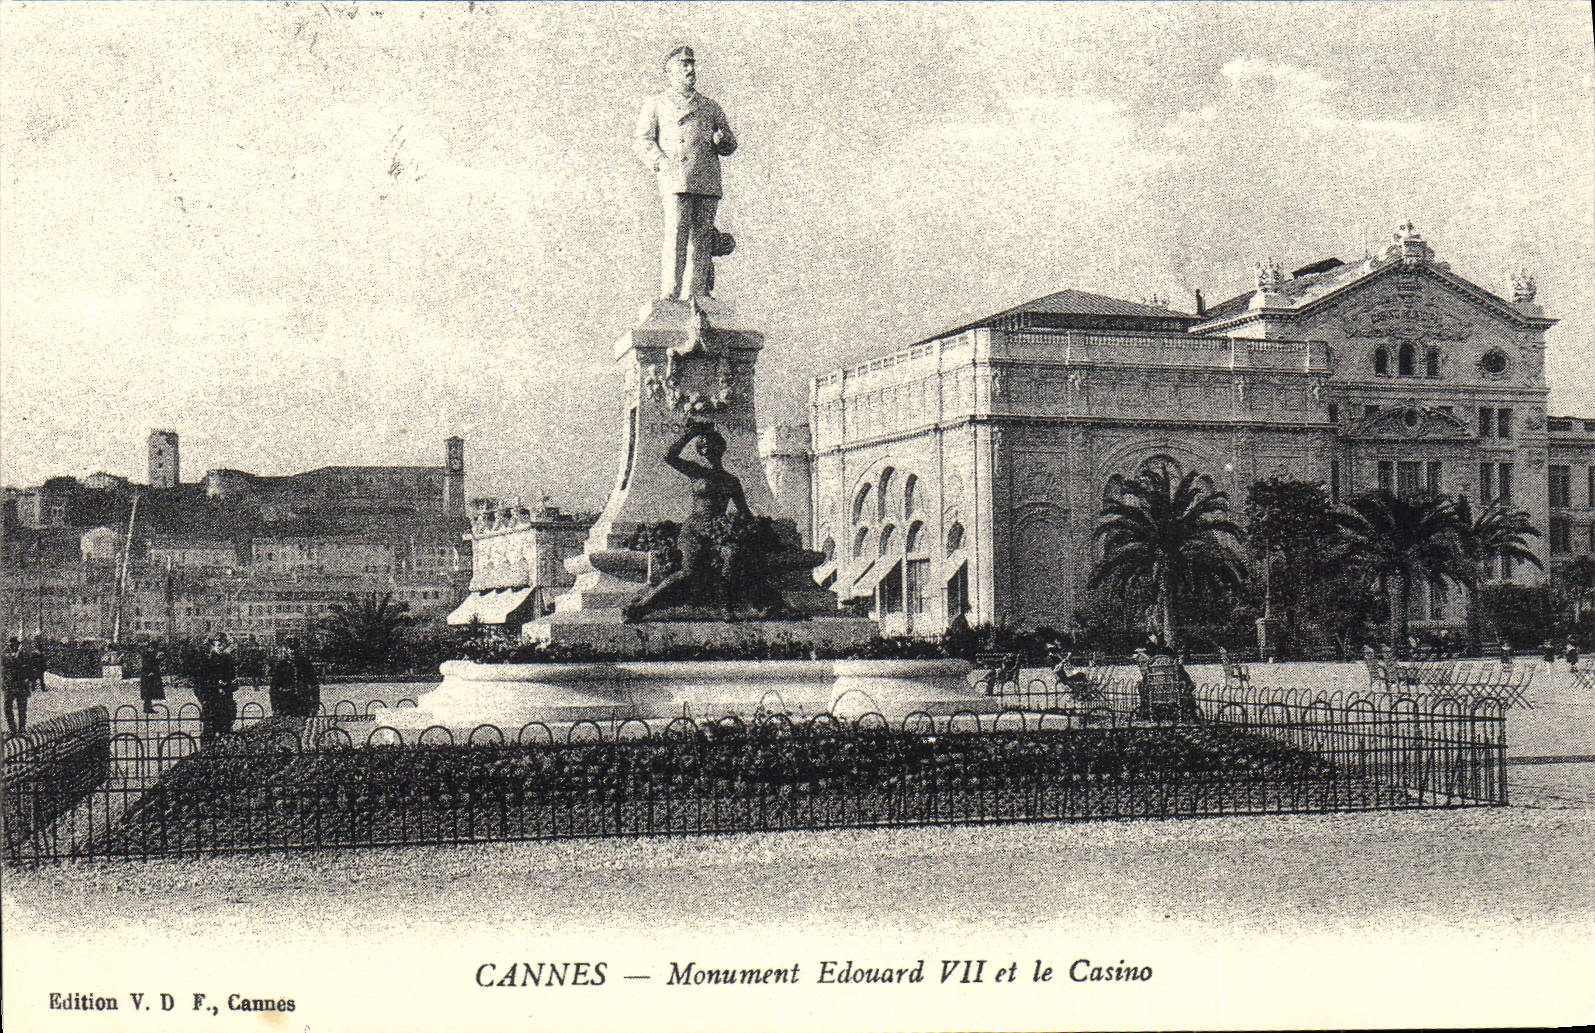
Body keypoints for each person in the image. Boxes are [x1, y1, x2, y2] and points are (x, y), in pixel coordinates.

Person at [634, 44, 737, 301]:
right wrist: (660, 162)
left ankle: (697, 292)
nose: (690, 69)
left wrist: (721, 139)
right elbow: (643, 140)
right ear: (670, 71)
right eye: (684, 64)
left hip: (705, 178)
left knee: (702, 237)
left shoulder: (710, 106)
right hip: (676, 177)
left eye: (692, 63)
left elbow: (731, 143)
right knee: (677, 232)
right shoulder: (657, 103)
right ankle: (670, 291)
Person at [624, 420, 750, 619]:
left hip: (717, 531)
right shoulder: (696, 471)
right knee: (689, 572)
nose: (709, 448)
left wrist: (740, 528)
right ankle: (643, 605)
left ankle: (726, 605)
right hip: (694, 529)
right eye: (704, 445)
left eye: (713, 444)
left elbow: (744, 511)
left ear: (721, 448)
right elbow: (669, 456)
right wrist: (690, 434)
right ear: (700, 450)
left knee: (732, 556)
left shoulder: (731, 481)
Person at [194, 634, 237, 744]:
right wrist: (207, 697)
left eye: (223, 643)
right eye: (217, 643)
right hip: (211, 704)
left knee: (226, 736)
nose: (220, 646)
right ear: (212, 646)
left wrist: (228, 685)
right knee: (209, 736)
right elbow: (198, 684)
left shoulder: (228, 660)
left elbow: (234, 681)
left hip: (226, 704)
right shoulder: (206, 661)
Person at [289, 638, 320, 719]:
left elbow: (314, 684)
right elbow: (275, 687)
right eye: (291, 648)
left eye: (295, 648)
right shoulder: (283, 664)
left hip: (303, 700)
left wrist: (315, 704)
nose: (293, 651)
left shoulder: (305, 663)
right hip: (287, 704)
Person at [3, 636, 29, 734]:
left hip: (21, 684)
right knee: (7, 707)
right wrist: (17, 655)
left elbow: (27, 666)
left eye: (14, 645)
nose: (12, 646)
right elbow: (11, 662)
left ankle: (22, 728)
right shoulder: (6, 653)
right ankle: (12, 728)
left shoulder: (24, 654)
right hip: (9, 684)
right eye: (10, 645)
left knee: (22, 707)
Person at [138, 643, 164, 715]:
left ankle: (148, 707)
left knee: (150, 692)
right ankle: (147, 708)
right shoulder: (147, 656)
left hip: (150, 676)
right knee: (148, 692)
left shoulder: (148, 655)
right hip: (148, 676)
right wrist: (150, 672)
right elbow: (147, 665)